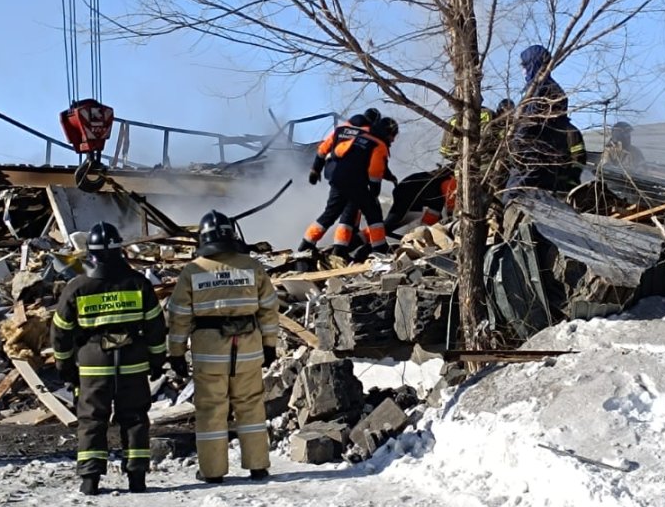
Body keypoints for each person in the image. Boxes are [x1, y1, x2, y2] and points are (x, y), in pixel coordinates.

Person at [53, 222, 166, 495]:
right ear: (120, 251)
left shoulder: (77, 287)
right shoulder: (139, 283)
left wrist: (65, 367)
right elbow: (156, 328)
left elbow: (60, 333)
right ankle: (137, 477)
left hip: (93, 364)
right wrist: (156, 360)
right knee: (135, 418)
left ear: (90, 253)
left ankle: (90, 479)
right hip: (133, 362)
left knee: (92, 420)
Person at [167, 211, 280, 484]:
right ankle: (258, 466)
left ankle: (213, 470)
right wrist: (269, 345)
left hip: (209, 353)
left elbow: (179, 315)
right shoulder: (252, 267)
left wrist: (176, 352)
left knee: (211, 410)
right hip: (248, 349)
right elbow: (269, 309)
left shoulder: (193, 271)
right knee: (251, 407)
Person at [300, 114, 394, 257]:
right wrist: (374, 191)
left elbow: (327, 150)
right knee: (370, 213)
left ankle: (306, 245)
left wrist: (315, 169)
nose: (393, 140)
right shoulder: (375, 142)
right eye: (393, 136)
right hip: (355, 181)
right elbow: (375, 170)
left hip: (336, 176)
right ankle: (379, 249)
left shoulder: (342, 131)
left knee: (331, 213)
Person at [507, 45, 573, 192]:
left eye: (524, 65)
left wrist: (515, 149)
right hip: (547, 161)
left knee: (514, 199)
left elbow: (528, 124)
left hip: (531, 160)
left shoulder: (541, 90)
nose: (523, 70)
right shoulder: (551, 88)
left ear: (533, 64)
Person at [384, 165, 457, 234]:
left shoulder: (445, 177)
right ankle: (378, 233)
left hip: (415, 191)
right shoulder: (451, 181)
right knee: (397, 219)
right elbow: (450, 206)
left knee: (410, 218)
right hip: (408, 190)